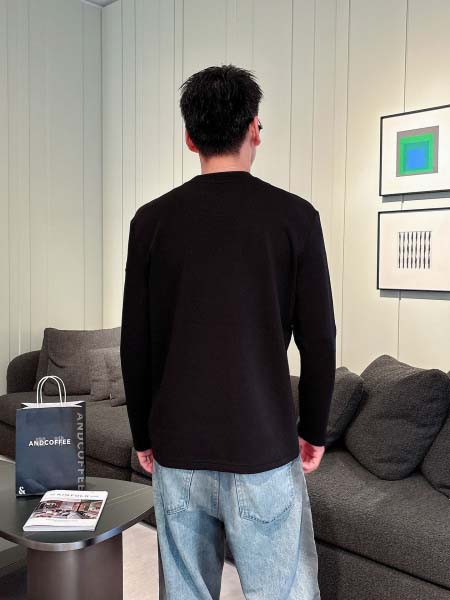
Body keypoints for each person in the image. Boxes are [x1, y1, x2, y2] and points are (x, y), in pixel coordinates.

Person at [120, 64, 336, 600]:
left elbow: (135, 344)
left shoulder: (150, 222)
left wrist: (143, 435)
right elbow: (320, 340)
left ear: (190, 137)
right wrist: (314, 429)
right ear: (254, 128)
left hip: (178, 449)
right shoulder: (296, 218)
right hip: (263, 447)